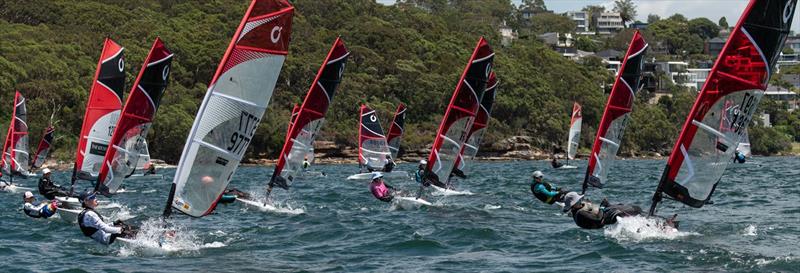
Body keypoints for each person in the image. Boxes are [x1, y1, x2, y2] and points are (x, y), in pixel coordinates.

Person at [562, 192, 644, 229]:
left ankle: (645, 219)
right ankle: (648, 219)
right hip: (607, 217)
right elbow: (598, 218)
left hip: (607, 213)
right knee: (636, 209)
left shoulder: (576, 211)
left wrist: (605, 206)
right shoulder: (581, 214)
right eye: (578, 200)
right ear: (574, 204)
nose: (580, 201)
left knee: (622, 205)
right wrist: (602, 207)